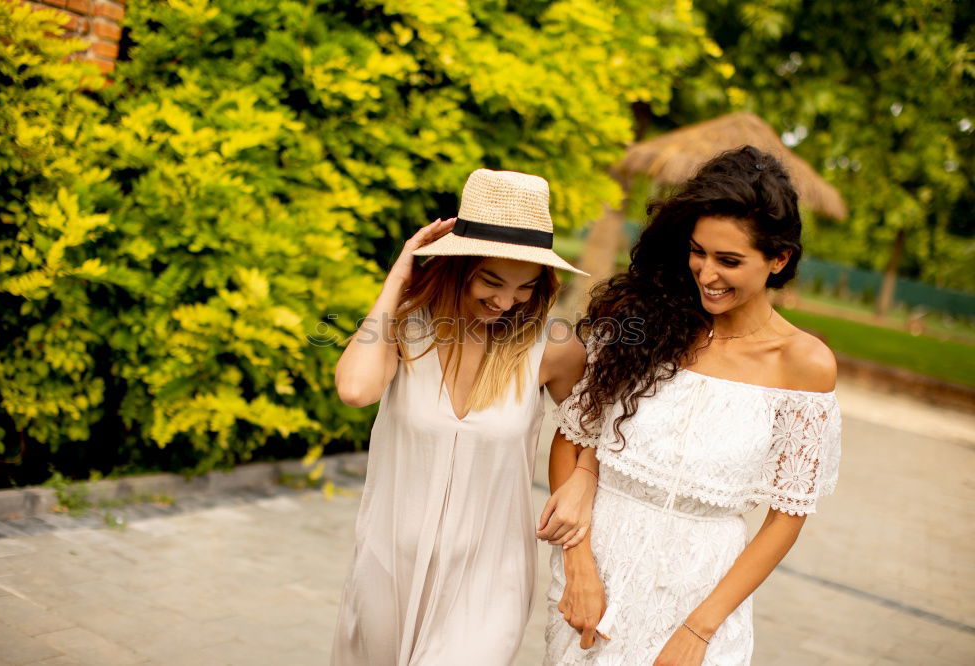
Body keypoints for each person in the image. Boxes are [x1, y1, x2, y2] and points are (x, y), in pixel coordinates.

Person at [541, 146, 844, 665]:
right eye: (698, 251)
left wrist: (700, 630)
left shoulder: (805, 365)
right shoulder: (643, 324)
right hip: (596, 571)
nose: (707, 273)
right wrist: (578, 566)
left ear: (779, 259)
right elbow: (572, 442)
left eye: (729, 261)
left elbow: (787, 517)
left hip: (702, 594)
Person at [330, 168, 596, 665]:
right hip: (390, 564)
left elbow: (599, 428)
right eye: (491, 280)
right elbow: (354, 389)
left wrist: (583, 476)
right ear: (456, 265)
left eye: (524, 287)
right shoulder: (407, 329)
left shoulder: (552, 349)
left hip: (489, 575)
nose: (505, 301)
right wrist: (400, 274)